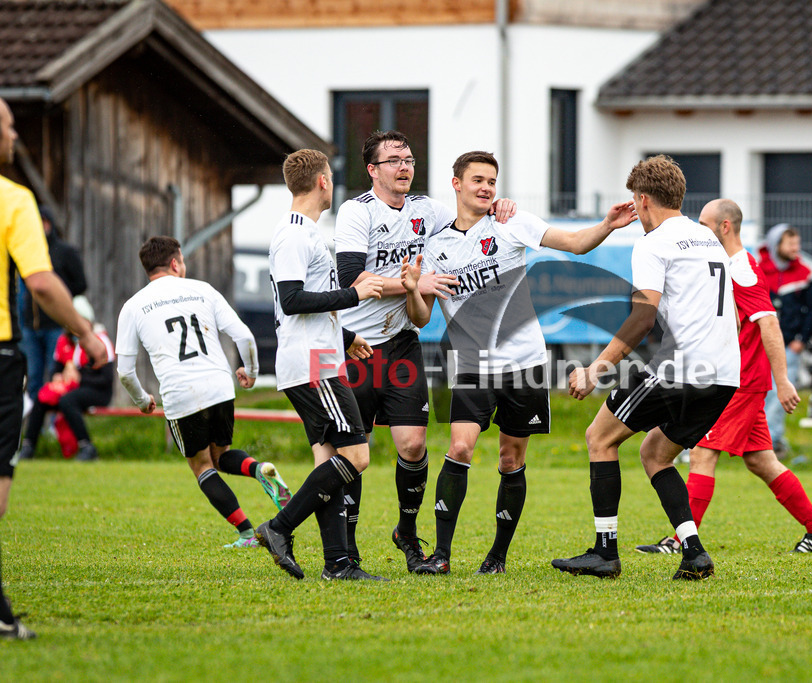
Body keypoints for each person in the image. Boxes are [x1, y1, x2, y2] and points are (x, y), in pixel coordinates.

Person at [400, 150, 636, 575]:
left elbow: (575, 244)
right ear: (457, 184)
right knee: (460, 447)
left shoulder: (511, 223)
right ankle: (441, 555)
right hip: (471, 364)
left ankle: (498, 557)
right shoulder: (436, 247)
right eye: (477, 180)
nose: (486, 187)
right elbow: (421, 318)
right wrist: (415, 290)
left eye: (491, 180)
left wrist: (607, 225)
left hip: (523, 362)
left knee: (511, 460)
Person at [546, 155, 739, 581]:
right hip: (725, 375)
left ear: (644, 200)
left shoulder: (654, 243)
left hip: (683, 370)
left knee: (599, 437)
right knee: (655, 454)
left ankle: (605, 553)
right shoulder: (708, 238)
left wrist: (596, 367)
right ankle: (694, 553)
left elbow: (642, 318)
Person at [333, 130, 514, 573]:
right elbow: (352, 281)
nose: (404, 167)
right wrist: (415, 284)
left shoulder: (426, 210)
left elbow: (470, 211)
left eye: (409, 159)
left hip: (401, 345)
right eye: (393, 160)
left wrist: (500, 206)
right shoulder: (356, 213)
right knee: (355, 452)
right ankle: (348, 546)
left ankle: (408, 534)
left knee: (413, 445)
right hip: (355, 347)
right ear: (373, 170)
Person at [636, 199, 812, 557]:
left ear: (724, 226)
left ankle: (681, 541)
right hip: (740, 379)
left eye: (703, 222)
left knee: (702, 455)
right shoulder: (725, 264)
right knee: (761, 461)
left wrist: (783, 379)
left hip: (742, 382)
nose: (697, 228)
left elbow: (769, 322)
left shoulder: (741, 267)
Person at [1, 96, 108, 640]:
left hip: (32, 332)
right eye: (9, 125)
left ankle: (34, 442)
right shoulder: (12, 200)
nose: (15, 134)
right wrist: (86, 333)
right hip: (11, 338)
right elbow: (42, 283)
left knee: (44, 390)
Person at [255, 148, 387, 581]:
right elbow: (292, 301)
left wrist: (346, 337)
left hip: (319, 355)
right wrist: (356, 294)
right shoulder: (294, 234)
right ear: (322, 182)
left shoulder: (306, 232)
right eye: (331, 175)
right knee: (357, 455)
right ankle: (278, 527)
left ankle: (339, 563)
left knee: (327, 458)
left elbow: (302, 299)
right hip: (313, 364)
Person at [116, 237, 292, 548]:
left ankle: (247, 534)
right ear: (175, 263)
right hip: (220, 385)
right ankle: (258, 469)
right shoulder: (203, 289)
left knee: (202, 465)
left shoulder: (133, 306)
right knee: (221, 455)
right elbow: (244, 336)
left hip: (181, 393)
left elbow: (125, 372)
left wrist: (143, 401)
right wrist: (250, 372)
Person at [18, 296, 115, 462]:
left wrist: (79, 377)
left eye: (81, 321)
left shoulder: (100, 341)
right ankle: (28, 446)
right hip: (72, 389)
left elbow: (106, 379)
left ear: (89, 321)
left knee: (67, 401)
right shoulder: (64, 341)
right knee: (41, 399)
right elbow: (56, 369)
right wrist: (59, 376)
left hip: (98, 392)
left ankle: (87, 447)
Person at [18, 204, 87, 404]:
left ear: (50, 224)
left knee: (57, 375)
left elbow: (81, 284)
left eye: (44, 222)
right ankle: (35, 426)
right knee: (33, 377)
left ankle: (55, 424)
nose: (40, 226)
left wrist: (57, 296)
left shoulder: (65, 251)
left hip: (57, 325)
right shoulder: (28, 252)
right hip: (31, 326)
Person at [758, 223, 812, 455]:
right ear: (776, 245)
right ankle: (758, 442)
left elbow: (811, 311)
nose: (796, 248)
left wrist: (801, 340)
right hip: (762, 345)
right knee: (759, 393)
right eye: (790, 243)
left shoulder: (804, 274)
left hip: (789, 347)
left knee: (779, 394)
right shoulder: (757, 270)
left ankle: (771, 444)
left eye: (797, 243)